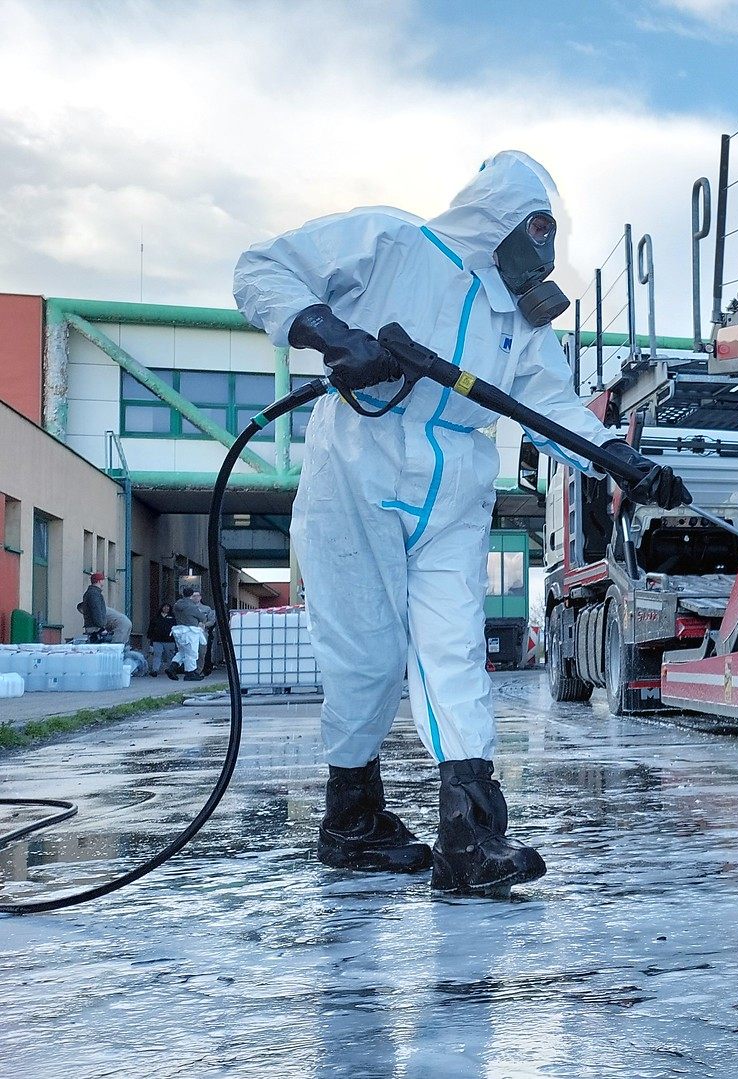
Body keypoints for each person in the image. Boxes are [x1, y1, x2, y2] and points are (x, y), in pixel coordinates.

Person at [234, 150, 689, 895]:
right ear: (498, 217)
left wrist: (615, 455)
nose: (545, 247)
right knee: (368, 656)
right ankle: (350, 823)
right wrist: (329, 333)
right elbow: (261, 268)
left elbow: (550, 406)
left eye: (551, 231)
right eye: (538, 226)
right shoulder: (392, 242)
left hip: (456, 482)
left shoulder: (521, 316)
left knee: (453, 650)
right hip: (359, 459)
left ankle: (470, 836)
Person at [167, 586, 209, 682]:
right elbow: (202, 617)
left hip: (178, 631)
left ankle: (172, 668)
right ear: (191, 595)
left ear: (183, 593)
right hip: (190, 632)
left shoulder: (177, 604)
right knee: (192, 653)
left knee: (182, 652)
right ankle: (190, 673)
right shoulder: (191, 606)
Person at [146, 603, 177, 677]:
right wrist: (150, 638)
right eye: (164, 607)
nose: (166, 608)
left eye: (168, 607)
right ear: (162, 608)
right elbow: (151, 628)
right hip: (157, 640)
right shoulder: (156, 617)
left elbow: (176, 629)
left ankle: (171, 670)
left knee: (170, 656)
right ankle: (155, 670)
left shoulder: (173, 618)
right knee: (157, 655)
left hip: (170, 640)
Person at [81, 572, 109, 637]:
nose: (104, 581)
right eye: (103, 580)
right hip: (95, 628)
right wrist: (101, 627)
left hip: (93, 627)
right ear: (99, 581)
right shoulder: (94, 594)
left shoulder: (91, 593)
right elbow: (96, 611)